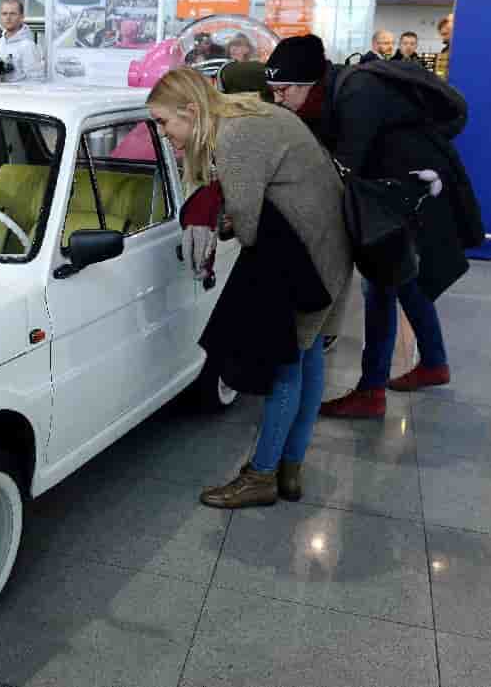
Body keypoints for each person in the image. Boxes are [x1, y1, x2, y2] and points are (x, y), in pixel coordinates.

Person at [147, 65, 351, 509]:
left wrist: (217, 222)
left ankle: (262, 475)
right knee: (309, 353)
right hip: (326, 249)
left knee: (286, 362)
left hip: (305, 257)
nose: (164, 134)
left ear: (189, 110)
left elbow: (250, 227)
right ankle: (289, 469)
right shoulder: (248, 114)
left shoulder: (233, 137)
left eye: (165, 122)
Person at [264, 34, 476, 419]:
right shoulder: (330, 92)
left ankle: (371, 390)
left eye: (283, 91)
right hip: (396, 186)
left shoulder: (357, 93)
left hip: (410, 187)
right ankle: (434, 362)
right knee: (402, 278)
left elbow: (344, 166)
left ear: (308, 83)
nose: (279, 99)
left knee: (380, 280)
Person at [0, 0, 44, 83]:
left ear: (21, 17)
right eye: (4, 14)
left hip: (20, 95)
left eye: (13, 14)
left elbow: (35, 81)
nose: (8, 18)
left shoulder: (28, 46)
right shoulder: (0, 43)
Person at [435, 14, 453, 81]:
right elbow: (440, 74)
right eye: (442, 35)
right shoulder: (444, 51)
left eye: (445, 34)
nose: (443, 38)